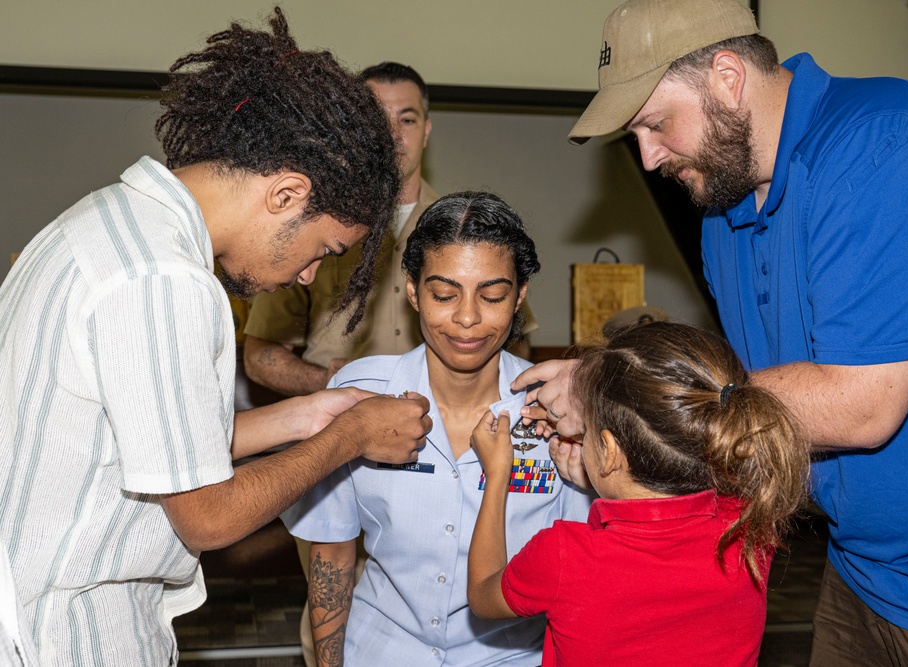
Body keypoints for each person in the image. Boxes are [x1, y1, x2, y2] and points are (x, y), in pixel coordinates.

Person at [517, 0, 908, 664]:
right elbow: (754, 402)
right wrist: (620, 469)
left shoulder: (888, 143)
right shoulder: (724, 213)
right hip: (858, 567)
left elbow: (861, 403)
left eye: (656, 123)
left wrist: (614, 392)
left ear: (727, 76)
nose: (649, 157)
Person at [0, 8, 432, 665]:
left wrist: (304, 416)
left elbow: (152, 445)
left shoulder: (111, 225)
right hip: (66, 631)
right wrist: (348, 438)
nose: (309, 274)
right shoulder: (165, 278)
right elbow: (208, 513)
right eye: (323, 249)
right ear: (288, 193)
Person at [283, 192, 592, 667]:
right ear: (412, 291)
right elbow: (333, 549)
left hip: (512, 656)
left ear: (520, 296)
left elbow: (581, 566)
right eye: (444, 295)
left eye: (492, 296)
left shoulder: (555, 408)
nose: (467, 318)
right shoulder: (360, 394)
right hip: (382, 652)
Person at [469, 321, 809, 666]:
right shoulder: (750, 524)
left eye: (585, 431)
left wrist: (499, 474)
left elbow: (483, 595)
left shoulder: (562, 555)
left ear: (611, 450)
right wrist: (603, 477)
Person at [243, 62, 440, 395]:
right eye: (378, 120)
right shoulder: (308, 222)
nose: (393, 135)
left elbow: (514, 340)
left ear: (427, 131)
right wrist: (328, 383)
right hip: (331, 427)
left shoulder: (464, 224)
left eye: (407, 120)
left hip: (438, 430)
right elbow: (259, 355)